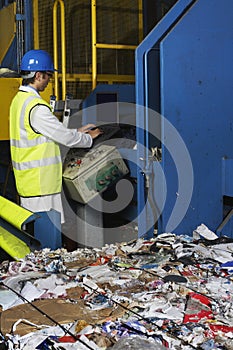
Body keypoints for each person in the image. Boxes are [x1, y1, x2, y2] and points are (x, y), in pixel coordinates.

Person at [9, 49, 102, 227]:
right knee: (48, 235)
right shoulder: (37, 107)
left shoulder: (18, 101)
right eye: (48, 75)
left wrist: (77, 131)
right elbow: (65, 138)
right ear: (38, 75)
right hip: (41, 185)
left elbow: (45, 133)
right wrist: (89, 138)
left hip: (29, 182)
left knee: (36, 233)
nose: (49, 80)